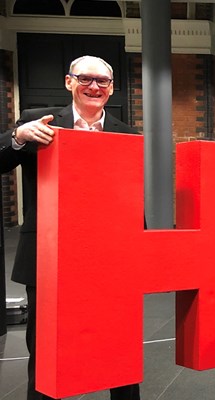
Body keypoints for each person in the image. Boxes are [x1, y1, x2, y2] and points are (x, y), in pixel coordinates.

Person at [0, 55, 140, 400]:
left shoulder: (125, 132)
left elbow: (130, 195)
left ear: (111, 88)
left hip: (107, 258)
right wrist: (17, 137)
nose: (94, 87)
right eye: (86, 79)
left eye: (102, 82)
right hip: (49, 256)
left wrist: (140, 249)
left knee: (118, 344)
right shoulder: (37, 121)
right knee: (47, 349)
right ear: (69, 82)